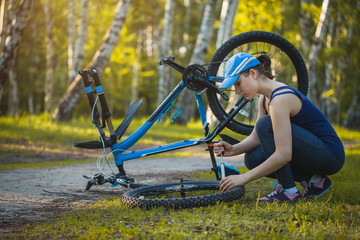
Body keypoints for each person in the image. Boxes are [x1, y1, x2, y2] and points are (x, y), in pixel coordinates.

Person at [214, 52, 345, 202]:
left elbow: (284, 154)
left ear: (252, 73)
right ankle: (315, 181)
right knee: (253, 158)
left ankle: (288, 192)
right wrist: (234, 149)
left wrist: (243, 178)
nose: (236, 91)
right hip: (313, 150)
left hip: (330, 154)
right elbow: (257, 136)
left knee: (265, 124)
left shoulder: (280, 99)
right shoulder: (264, 98)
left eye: (238, 83)